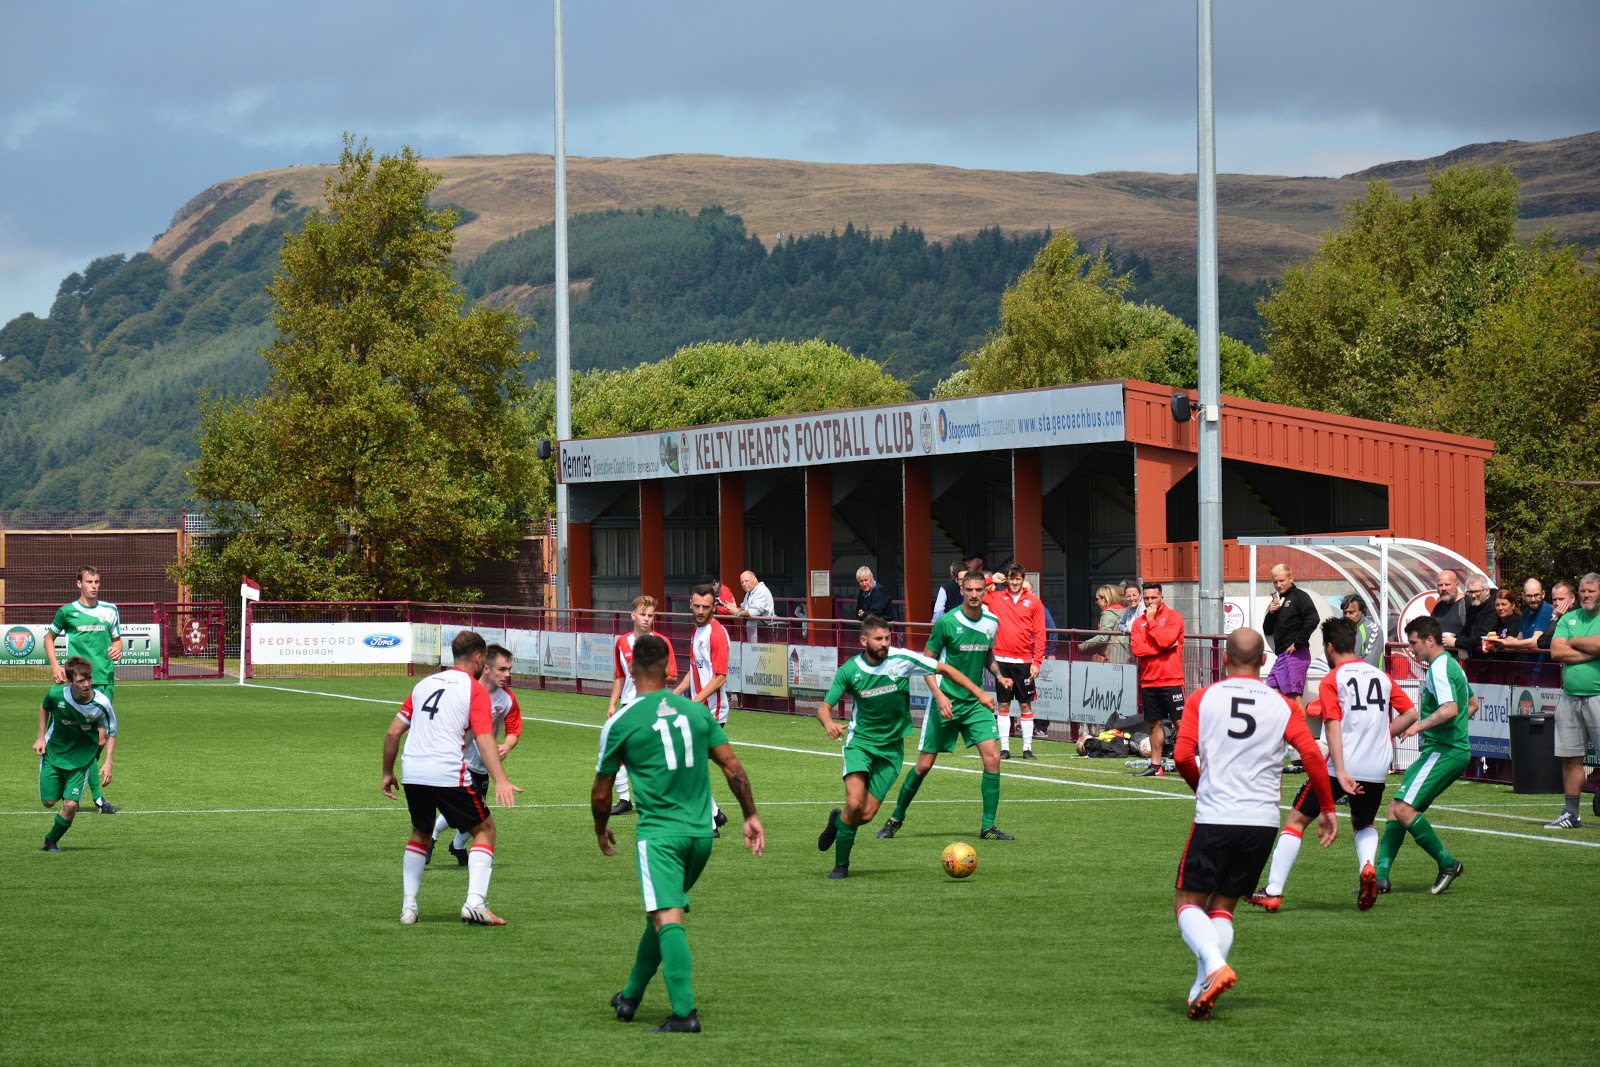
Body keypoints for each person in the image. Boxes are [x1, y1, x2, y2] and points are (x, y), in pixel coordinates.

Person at [593, 634, 764, 1033]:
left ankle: (684, 1012)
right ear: (671, 669)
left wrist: (601, 830)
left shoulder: (622, 720)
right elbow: (733, 767)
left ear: (631, 670)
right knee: (661, 913)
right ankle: (630, 996)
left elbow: (602, 791)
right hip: (702, 836)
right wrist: (750, 815)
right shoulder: (697, 713)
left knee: (666, 915)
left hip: (660, 836)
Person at [1172, 628, 1335, 1020]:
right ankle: (1200, 988)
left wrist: (1201, 787)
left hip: (1217, 815)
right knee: (1223, 906)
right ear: (1264, 662)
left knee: (1187, 902)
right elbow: (1312, 754)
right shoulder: (1283, 706)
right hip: (1262, 821)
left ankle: (1213, 966)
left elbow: (1181, 755)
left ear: (1224, 659)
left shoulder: (1203, 697)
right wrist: (1327, 806)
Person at [1247, 617, 1414, 912]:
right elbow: (1411, 714)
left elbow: (1333, 726)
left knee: (1296, 821)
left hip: (1341, 767)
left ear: (1330, 647)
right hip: (1376, 767)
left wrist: (1342, 770)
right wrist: (1383, 735)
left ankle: (1273, 890)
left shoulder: (1332, 678)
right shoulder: (1381, 676)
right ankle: (1367, 866)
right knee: (1363, 823)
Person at [816, 613, 997, 874]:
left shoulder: (901, 660)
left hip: (891, 750)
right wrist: (829, 724)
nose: (885, 643)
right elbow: (824, 708)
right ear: (863, 640)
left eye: (887, 638)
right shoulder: (850, 671)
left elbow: (944, 668)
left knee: (865, 816)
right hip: (861, 745)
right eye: (879, 639)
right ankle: (841, 866)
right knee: (854, 804)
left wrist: (979, 692)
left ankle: (837, 821)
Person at [381, 630, 522, 926]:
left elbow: (394, 732)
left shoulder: (423, 684)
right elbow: (484, 737)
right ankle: (475, 904)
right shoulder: (475, 690)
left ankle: (409, 908)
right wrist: (501, 779)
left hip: (413, 770)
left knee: (420, 832)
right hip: (447, 770)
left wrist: (387, 772)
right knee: (484, 829)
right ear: (480, 657)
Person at [879, 575, 1007, 842]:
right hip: (945, 700)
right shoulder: (947, 622)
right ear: (961, 590)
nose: (974, 594)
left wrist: (998, 675)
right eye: (969, 589)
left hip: (975, 703)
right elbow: (925, 663)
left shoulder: (991, 622)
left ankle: (988, 826)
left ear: (986, 591)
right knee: (924, 765)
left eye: (978, 590)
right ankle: (895, 819)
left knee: (993, 757)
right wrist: (938, 695)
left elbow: (987, 653)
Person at [1374, 616, 1470, 895]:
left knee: (1403, 809)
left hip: (1445, 751)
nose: (1411, 648)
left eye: (1414, 642)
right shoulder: (1452, 666)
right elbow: (1470, 703)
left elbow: (1451, 708)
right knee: (1396, 808)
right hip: (1447, 748)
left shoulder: (1440, 667)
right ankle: (1381, 877)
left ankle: (1448, 863)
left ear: (1430, 640)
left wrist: (1418, 725)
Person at [429, 643, 523, 864]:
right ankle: (436, 838)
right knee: (474, 812)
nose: (507, 674)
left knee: (472, 812)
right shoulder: (465, 691)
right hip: (458, 760)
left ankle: (455, 844)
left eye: (509, 669)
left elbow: (514, 729)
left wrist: (506, 746)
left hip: (483, 765)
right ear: (487, 668)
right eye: (502, 669)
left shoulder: (507, 699)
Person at [44, 565, 122, 814]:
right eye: (89, 581)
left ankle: (92, 794)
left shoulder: (110, 610)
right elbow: (49, 638)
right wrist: (56, 665)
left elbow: (117, 639)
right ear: (79, 584)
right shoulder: (67, 612)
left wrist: (119, 648)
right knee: (79, 736)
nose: (94, 586)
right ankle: (92, 794)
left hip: (103, 680)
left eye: (97, 581)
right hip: (77, 683)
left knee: (99, 737)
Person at [604, 595, 679, 817]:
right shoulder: (622, 642)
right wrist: (611, 703)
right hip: (628, 705)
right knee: (616, 751)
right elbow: (620, 676)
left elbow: (673, 676)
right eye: (643, 614)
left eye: (650, 615)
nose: (647, 619)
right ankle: (625, 799)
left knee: (655, 756)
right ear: (633, 615)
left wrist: (651, 673)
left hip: (653, 705)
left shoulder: (662, 642)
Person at [34, 656, 117, 852]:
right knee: (48, 802)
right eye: (80, 681)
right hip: (54, 755)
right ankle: (60, 787)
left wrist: (108, 762)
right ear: (69, 682)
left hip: (81, 761)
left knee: (71, 805)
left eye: (88, 678)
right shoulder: (57, 695)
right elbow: (44, 707)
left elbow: (111, 731)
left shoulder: (101, 703)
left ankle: (51, 840)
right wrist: (40, 737)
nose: (86, 684)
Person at [675, 585, 731, 834]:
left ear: (714, 606)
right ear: (690, 603)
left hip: (712, 712)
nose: (700, 611)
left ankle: (710, 824)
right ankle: (714, 813)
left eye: (706, 607)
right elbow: (694, 670)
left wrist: (694, 701)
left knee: (688, 765)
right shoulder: (697, 631)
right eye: (696, 606)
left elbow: (719, 677)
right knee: (686, 763)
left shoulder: (716, 634)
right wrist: (676, 694)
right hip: (698, 708)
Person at [1545, 572, 1600, 828]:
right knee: (1571, 758)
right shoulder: (1568, 618)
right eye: (1583, 591)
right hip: (1569, 698)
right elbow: (1556, 651)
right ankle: (1572, 813)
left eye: (1592, 591)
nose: (1586, 595)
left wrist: (1574, 642)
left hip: (1598, 698)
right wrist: (1589, 651)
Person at [985, 563, 1046, 759]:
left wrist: (1037, 662)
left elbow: (1040, 633)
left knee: (1025, 705)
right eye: (1011, 578)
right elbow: (970, 592)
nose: (1014, 582)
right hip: (1001, 660)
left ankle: (1027, 748)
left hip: (1024, 661)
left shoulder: (1034, 602)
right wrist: (990, 580)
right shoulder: (996, 598)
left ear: (1023, 579)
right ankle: (1005, 748)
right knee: (1003, 705)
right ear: (1007, 579)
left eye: (1018, 578)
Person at [1130, 582, 1186, 777]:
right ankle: (1156, 766)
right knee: (1154, 724)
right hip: (1149, 681)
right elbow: (1138, 649)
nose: (1150, 602)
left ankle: (1192, 760)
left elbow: (1165, 640)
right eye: (1146, 598)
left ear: (1162, 597)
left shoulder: (1174, 618)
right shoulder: (1138, 623)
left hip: (1171, 680)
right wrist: (1160, 649)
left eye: (1153, 598)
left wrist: (1153, 622)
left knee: (1181, 724)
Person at [1262, 564, 1319, 716]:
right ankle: (1283, 732)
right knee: (1272, 692)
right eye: (1275, 582)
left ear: (1291, 579)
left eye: (1282, 581)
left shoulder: (1299, 596)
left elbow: (1313, 619)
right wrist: (1271, 613)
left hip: (1296, 653)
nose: (1279, 585)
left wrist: (1299, 642)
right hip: (1281, 655)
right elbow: (1267, 630)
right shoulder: (1277, 601)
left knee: (1294, 696)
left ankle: (1301, 737)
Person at [1486, 578, 1558, 661]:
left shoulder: (1545, 610)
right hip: (1527, 666)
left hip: (1542, 668)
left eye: (1536, 595)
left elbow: (1535, 642)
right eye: (1529, 596)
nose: (1533, 599)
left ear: (1543, 594)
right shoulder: (1527, 612)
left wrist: (1505, 644)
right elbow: (1519, 638)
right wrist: (1497, 643)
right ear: (1523, 596)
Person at [1448, 574, 1497, 657]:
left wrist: (1456, 642)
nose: (1473, 595)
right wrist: (1460, 643)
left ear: (1487, 590)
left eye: (1477, 591)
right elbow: (1465, 632)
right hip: (1475, 660)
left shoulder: (1494, 607)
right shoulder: (1473, 607)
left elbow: (1483, 637)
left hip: (1492, 660)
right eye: (1470, 592)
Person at [1080, 584, 1130, 663]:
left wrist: (1083, 645)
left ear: (1105, 599)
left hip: (1112, 656)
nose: (1096, 602)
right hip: (1124, 654)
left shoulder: (1108, 613)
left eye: (1097, 599)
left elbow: (1103, 637)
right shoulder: (1125, 611)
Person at [1475, 588, 1521, 658]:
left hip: (1512, 663)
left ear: (1513, 605)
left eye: (1503, 604)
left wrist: (1492, 645)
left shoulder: (1517, 620)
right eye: (1497, 605)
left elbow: (1509, 639)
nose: (1500, 608)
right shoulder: (1497, 623)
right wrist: (1485, 643)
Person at [1428, 568, 1467, 648]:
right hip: (1441, 656)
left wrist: (1460, 644)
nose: (1443, 588)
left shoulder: (1468, 604)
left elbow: (1476, 632)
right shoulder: (1438, 607)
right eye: (1440, 585)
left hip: (1462, 658)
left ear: (1456, 585)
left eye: (1447, 584)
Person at [1342, 593, 1383, 668]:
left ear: (1362, 612)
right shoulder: (1343, 630)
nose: (1347, 616)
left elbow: (1369, 663)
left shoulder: (1372, 629)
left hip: (1370, 677)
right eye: (1345, 613)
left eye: (1351, 612)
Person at [734, 569, 775, 641]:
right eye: (742, 582)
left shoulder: (761, 591)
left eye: (746, 581)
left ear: (755, 580)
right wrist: (731, 608)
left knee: (750, 622)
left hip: (764, 628)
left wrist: (737, 613)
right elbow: (744, 608)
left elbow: (755, 611)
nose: (744, 584)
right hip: (756, 627)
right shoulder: (749, 592)